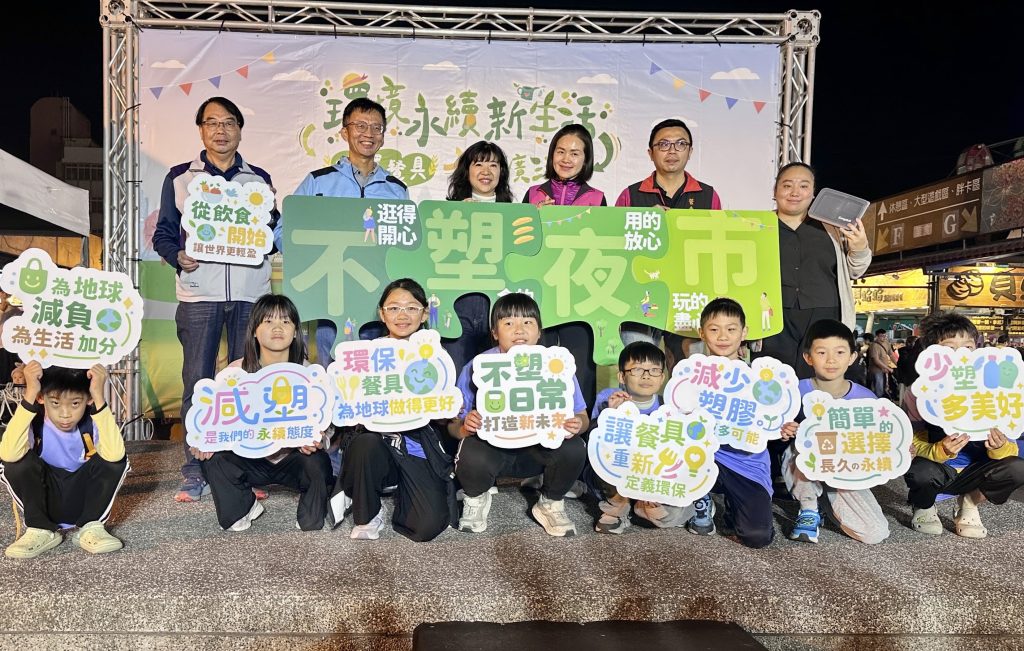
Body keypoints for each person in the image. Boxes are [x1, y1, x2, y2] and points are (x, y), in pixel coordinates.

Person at [152, 96, 280, 503]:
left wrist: (269, 237)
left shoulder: (258, 179)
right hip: (199, 294)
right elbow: (164, 233)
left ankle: (245, 467)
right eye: (212, 123)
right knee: (198, 382)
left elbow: (272, 235)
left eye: (228, 122)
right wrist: (177, 256)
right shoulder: (180, 177)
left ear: (240, 129)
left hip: (249, 295)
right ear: (201, 130)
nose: (220, 130)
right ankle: (195, 468)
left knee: (248, 383)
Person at [274, 97, 409, 366]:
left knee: (378, 370)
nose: (368, 133)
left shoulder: (396, 189)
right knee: (333, 370)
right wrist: (309, 259)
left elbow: (405, 244)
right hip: (330, 297)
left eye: (376, 127)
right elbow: (282, 232)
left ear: (383, 136)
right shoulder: (318, 181)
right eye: (360, 126)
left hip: (379, 300)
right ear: (345, 132)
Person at [448, 293, 590, 536]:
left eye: (527, 322)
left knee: (575, 447)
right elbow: (453, 425)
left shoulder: (555, 365)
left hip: (538, 450)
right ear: (495, 332)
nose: (519, 330)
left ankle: (550, 502)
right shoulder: (478, 366)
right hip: (492, 450)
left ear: (539, 331)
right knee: (469, 449)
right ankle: (476, 497)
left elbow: (582, 415)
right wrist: (464, 426)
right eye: (508, 323)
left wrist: (577, 424)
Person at [328, 279, 457, 542]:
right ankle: (368, 512)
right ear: (382, 313)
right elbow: (346, 405)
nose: (402, 315)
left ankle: (404, 491)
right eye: (394, 308)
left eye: (411, 308)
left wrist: (449, 407)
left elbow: (445, 416)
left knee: (427, 526)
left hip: (416, 443)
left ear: (424, 314)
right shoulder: (366, 355)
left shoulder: (435, 355)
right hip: (374, 443)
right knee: (365, 443)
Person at [194, 294, 334, 532]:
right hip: (250, 458)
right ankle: (244, 505)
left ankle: (309, 512)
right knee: (214, 459)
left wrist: (320, 440)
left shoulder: (310, 373)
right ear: (254, 331)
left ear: (295, 331)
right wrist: (204, 442)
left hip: (294, 458)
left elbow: (327, 425)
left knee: (317, 465)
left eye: (286, 321)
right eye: (268, 321)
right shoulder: (235, 373)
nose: (278, 328)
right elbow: (214, 422)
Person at [903, 311, 1024, 538]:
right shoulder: (919, 393)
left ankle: (969, 502)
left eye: (967, 347)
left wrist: (1000, 447)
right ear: (931, 352)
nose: (960, 355)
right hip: (939, 468)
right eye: (949, 348)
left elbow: (1012, 447)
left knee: (1018, 468)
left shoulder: (994, 388)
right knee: (920, 472)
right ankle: (924, 506)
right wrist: (938, 450)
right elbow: (910, 441)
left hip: (978, 469)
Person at [615, 118, 722, 369]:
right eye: (663, 144)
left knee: (692, 374)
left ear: (690, 151)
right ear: (650, 153)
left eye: (680, 144)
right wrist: (644, 221)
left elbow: (717, 248)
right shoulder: (630, 195)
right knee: (640, 370)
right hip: (640, 298)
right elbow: (616, 245)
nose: (672, 150)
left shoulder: (707, 195)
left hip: (690, 299)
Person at [670, 298, 774, 549]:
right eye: (714, 329)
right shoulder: (690, 375)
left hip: (746, 464)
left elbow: (771, 418)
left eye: (731, 329)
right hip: (701, 457)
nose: (723, 336)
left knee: (756, 536)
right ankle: (702, 497)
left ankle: (733, 507)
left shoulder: (759, 379)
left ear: (744, 332)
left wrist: (781, 426)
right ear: (701, 333)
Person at [0, 362, 128, 558]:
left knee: (115, 459)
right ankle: (40, 530)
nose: (65, 414)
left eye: (75, 403)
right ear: (42, 398)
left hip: (84, 501)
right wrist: (30, 393)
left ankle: (91, 527)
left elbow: (115, 456)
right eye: (55, 403)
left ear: (88, 400)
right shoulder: (34, 419)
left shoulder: (93, 419)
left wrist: (99, 396)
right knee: (14, 462)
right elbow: (8, 454)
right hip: (44, 501)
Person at [778, 319, 889, 544]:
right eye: (821, 352)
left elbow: (879, 439)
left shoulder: (866, 398)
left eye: (839, 352)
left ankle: (826, 503)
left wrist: (899, 448)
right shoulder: (794, 391)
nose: (831, 360)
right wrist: (784, 429)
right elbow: (773, 427)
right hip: (805, 464)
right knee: (801, 446)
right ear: (808, 357)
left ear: (852, 357)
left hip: (845, 469)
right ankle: (809, 508)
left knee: (875, 534)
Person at [756, 163, 871, 379]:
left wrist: (860, 247)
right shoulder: (757, 227)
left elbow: (856, 270)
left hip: (825, 315)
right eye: (787, 185)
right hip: (773, 317)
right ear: (775, 190)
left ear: (814, 193)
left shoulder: (833, 227)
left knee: (821, 383)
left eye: (803, 186)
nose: (795, 192)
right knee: (773, 382)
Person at [524, 124, 607, 409]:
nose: (566, 159)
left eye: (575, 153)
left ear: (586, 159)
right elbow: (519, 244)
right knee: (536, 365)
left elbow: (603, 246)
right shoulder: (533, 194)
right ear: (551, 155)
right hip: (541, 294)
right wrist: (534, 220)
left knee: (580, 367)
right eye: (560, 151)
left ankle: (579, 428)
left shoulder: (597, 198)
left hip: (580, 295)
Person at [443, 141, 515, 395]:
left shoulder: (516, 215)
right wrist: (457, 220)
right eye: (479, 164)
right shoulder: (445, 212)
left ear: (501, 172)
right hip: (458, 306)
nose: (486, 171)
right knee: (455, 382)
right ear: (467, 170)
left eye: (493, 165)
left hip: (498, 308)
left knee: (498, 381)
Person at [590, 341, 666, 534]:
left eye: (654, 370)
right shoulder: (608, 398)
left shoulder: (667, 407)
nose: (646, 376)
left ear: (662, 377)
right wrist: (610, 414)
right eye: (637, 369)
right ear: (622, 376)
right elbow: (594, 442)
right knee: (610, 456)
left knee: (671, 514)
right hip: (615, 475)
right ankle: (616, 506)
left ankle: (644, 503)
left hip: (650, 473)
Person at [868, 328, 897, 398]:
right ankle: (877, 401)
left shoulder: (887, 343)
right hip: (876, 371)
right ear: (877, 336)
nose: (884, 337)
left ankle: (882, 399)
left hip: (884, 370)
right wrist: (888, 368)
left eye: (885, 336)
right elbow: (876, 360)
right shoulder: (874, 346)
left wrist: (897, 364)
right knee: (879, 389)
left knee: (884, 387)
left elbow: (891, 354)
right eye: (882, 336)